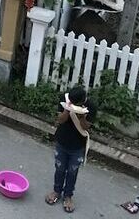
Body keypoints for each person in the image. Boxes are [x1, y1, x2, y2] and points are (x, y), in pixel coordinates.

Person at [45, 85, 94, 213]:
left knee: (72, 172)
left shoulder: (91, 106)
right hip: (62, 141)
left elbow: (85, 127)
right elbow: (60, 120)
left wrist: (82, 116)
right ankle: (56, 191)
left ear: (82, 101)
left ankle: (68, 196)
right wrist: (67, 110)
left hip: (78, 146)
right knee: (60, 168)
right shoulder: (64, 99)